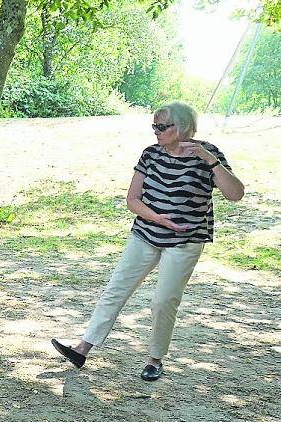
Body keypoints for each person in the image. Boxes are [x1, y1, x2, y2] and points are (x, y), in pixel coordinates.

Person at [51, 101, 244, 381]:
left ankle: (155, 359)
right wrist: (159, 219)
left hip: (185, 240)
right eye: (154, 126)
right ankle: (82, 348)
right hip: (146, 234)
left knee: (164, 300)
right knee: (116, 289)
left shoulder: (208, 154)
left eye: (162, 126)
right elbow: (132, 200)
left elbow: (235, 194)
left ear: (183, 127)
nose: (156, 131)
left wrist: (209, 160)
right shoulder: (151, 155)